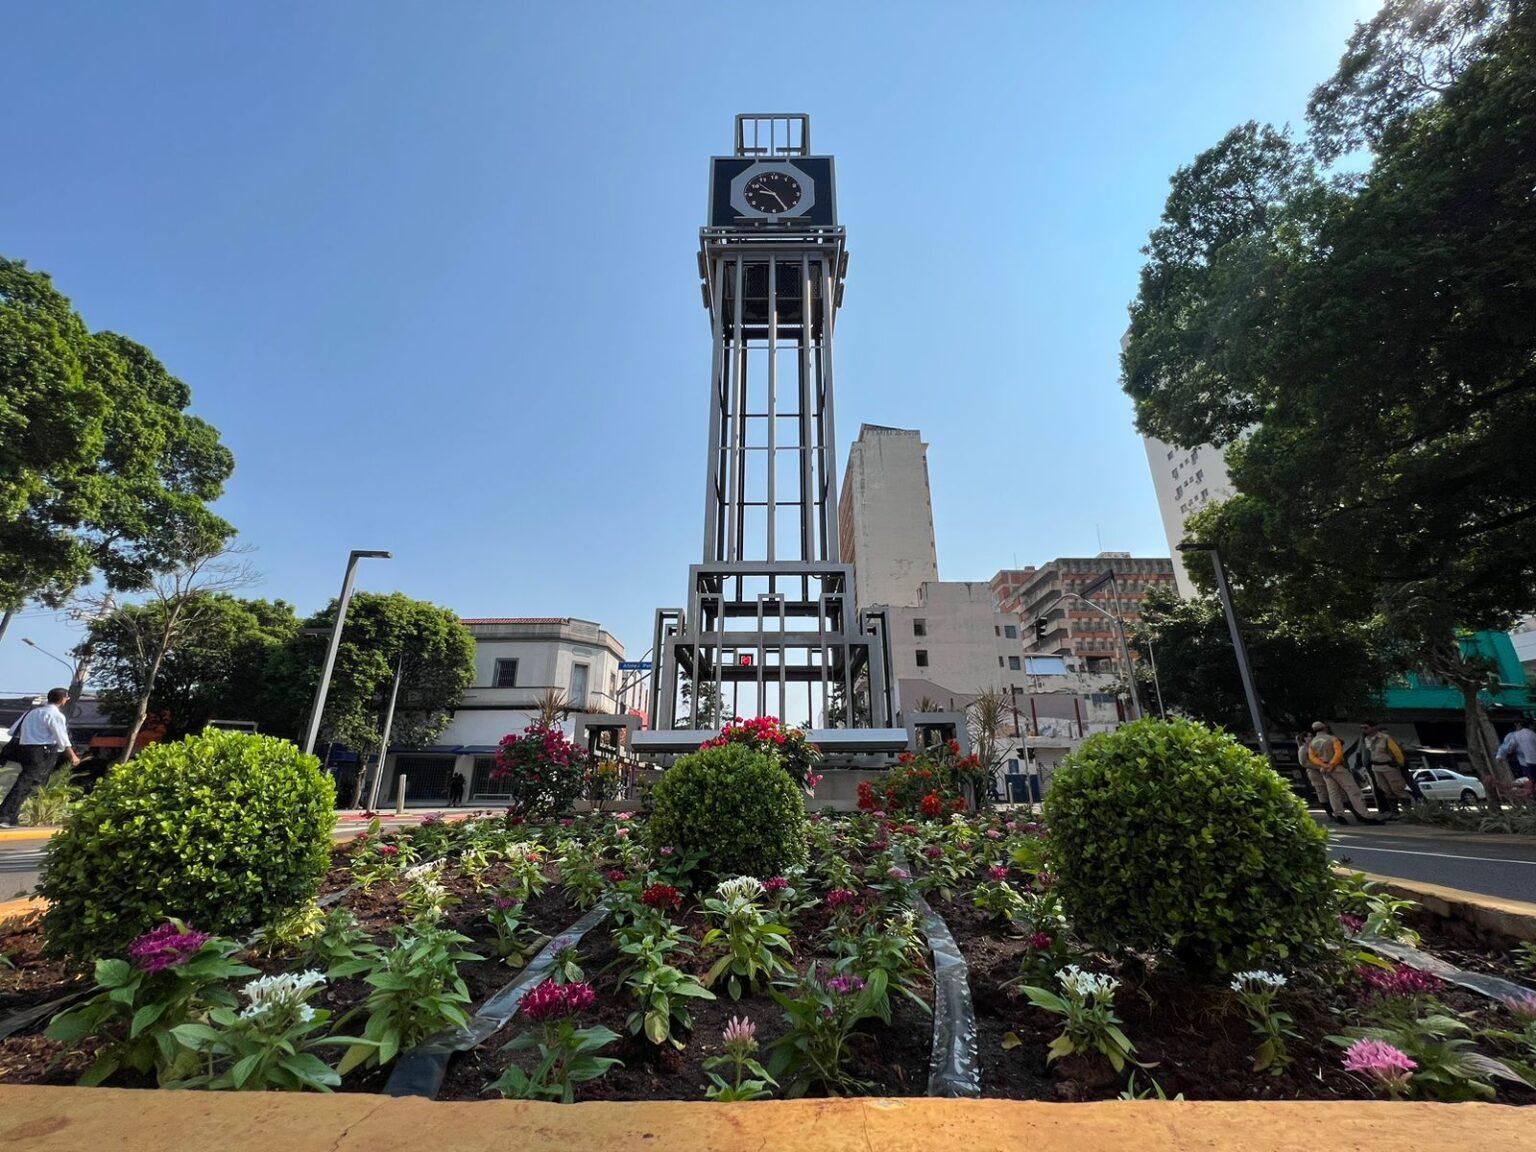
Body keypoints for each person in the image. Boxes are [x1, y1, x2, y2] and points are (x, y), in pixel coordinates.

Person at [0, 688, 81, 828]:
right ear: (62, 699)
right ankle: (4, 815)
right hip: (41, 752)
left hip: (24, 748)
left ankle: (11, 817)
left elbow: (12, 731)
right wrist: (73, 756)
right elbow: (62, 738)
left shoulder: (31, 712)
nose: (67, 700)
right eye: (66, 698)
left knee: (30, 784)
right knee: (25, 783)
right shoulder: (55, 715)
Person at [1307, 720, 1380, 825]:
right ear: (1325, 728)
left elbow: (1312, 757)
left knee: (1333, 793)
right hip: (1337, 768)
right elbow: (1338, 753)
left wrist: (1323, 765)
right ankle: (1365, 815)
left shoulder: (1312, 743)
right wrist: (1331, 764)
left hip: (1325, 770)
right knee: (1353, 790)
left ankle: (1339, 815)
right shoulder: (1332, 738)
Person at [1361, 722, 1411, 815]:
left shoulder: (1385, 738)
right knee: (1386, 790)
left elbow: (1397, 752)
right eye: (1362, 728)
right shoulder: (1367, 739)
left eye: (1366, 727)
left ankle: (1408, 813)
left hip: (1388, 766)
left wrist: (1400, 763)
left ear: (1374, 727)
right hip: (1376, 767)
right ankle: (1394, 812)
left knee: (1397, 789)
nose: (1364, 730)